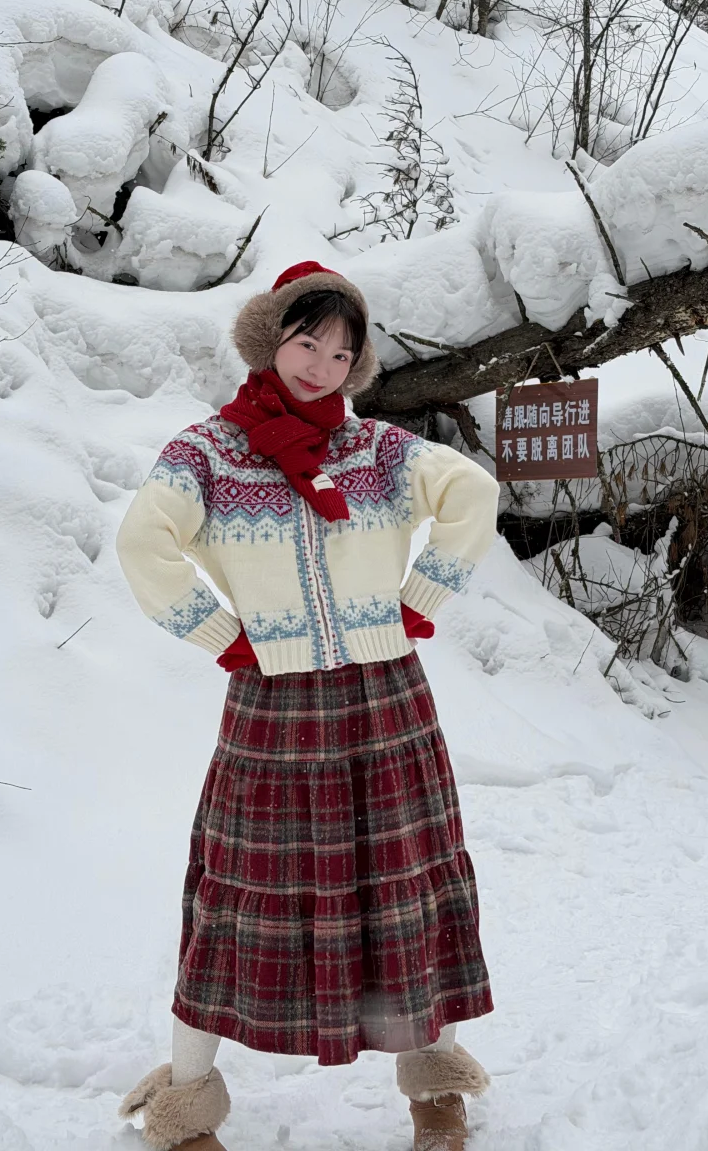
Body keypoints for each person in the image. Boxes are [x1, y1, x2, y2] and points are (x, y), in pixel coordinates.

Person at [114, 261, 500, 1151]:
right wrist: (219, 634)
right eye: (305, 342)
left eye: (342, 351)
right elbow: (145, 539)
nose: (322, 364)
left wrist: (423, 597)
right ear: (268, 341)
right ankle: (183, 1105)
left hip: (385, 695)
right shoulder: (208, 450)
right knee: (239, 898)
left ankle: (436, 1084)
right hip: (273, 706)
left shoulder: (379, 452)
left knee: (407, 884)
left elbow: (471, 493)